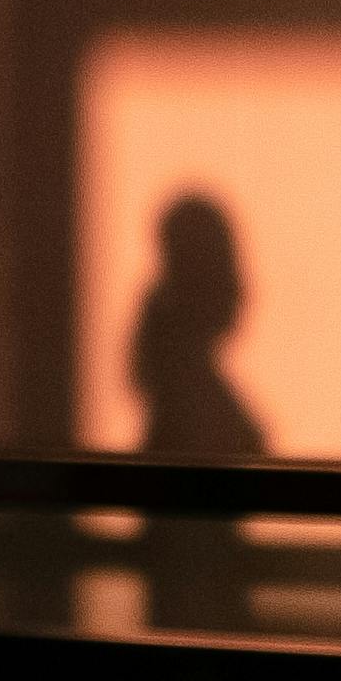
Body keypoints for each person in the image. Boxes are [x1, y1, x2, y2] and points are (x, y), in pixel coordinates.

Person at [127, 187, 262, 627]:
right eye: (225, 263)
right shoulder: (186, 380)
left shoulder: (179, 370)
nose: (240, 284)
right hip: (197, 580)